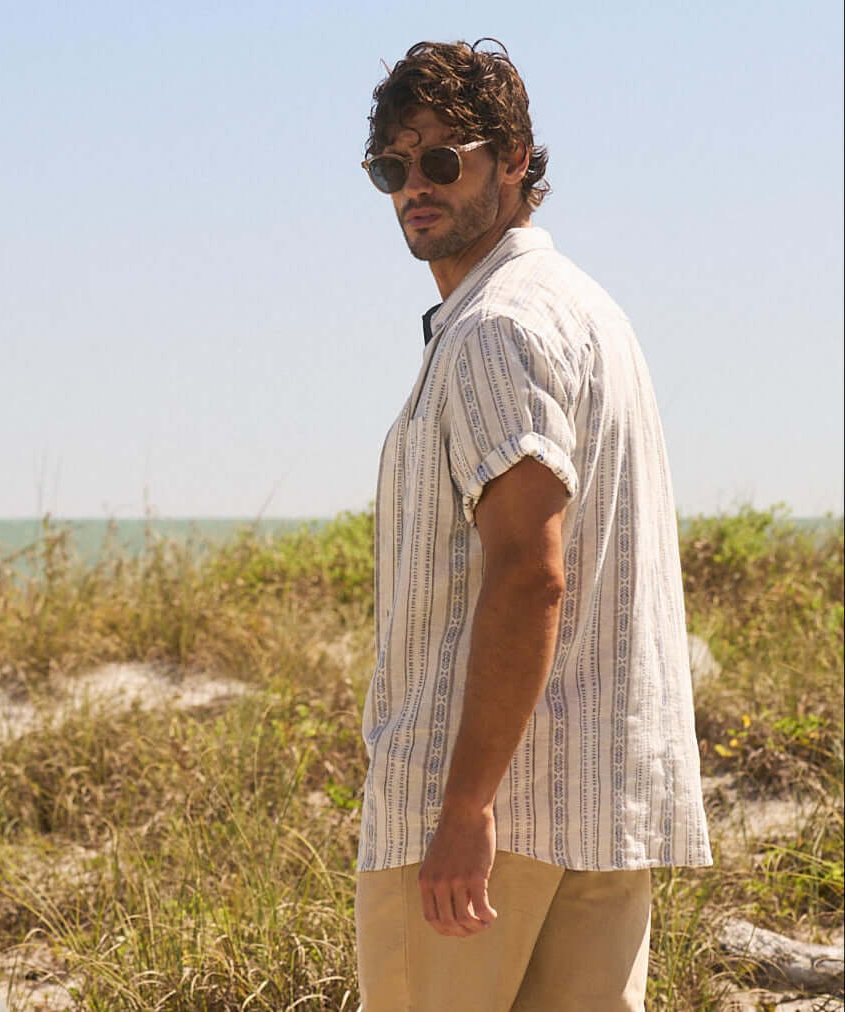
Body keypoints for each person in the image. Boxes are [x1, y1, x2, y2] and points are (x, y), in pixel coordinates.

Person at [354, 39, 712, 1012]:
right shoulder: (591, 314)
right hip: (600, 805)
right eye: (392, 167)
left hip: (481, 827)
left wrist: (465, 805)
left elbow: (528, 571)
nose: (414, 187)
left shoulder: (493, 329)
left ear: (513, 159)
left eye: (441, 158)